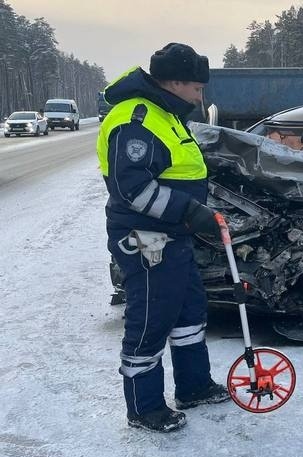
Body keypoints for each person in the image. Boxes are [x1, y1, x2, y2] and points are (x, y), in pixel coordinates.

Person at [97, 43, 229, 433]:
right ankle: (144, 407)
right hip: (146, 239)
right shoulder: (136, 120)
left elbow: (179, 171)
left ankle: (193, 386)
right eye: (196, 88)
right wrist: (190, 211)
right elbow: (131, 188)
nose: (200, 95)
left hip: (173, 236)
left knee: (188, 312)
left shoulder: (165, 113)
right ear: (174, 82)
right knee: (152, 318)